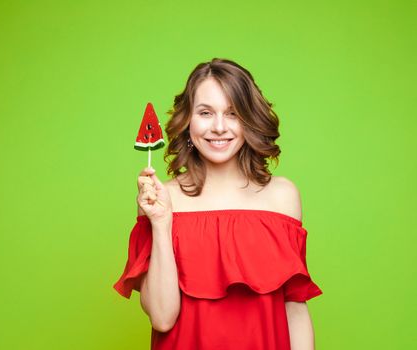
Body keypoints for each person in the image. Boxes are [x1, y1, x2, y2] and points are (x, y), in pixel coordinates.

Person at [113, 58, 323, 350]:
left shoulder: (282, 196)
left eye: (233, 113)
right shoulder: (161, 199)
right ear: (188, 120)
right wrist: (161, 224)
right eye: (206, 112)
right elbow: (162, 318)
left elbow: (295, 308)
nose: (220, 127)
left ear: (249, 119)